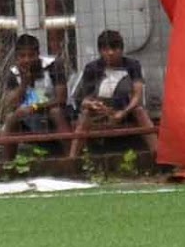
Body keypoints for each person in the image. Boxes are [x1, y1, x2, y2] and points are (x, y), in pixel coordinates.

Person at [66, 28, 156, 160]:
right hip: (101, 112)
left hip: (126, 111)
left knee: (140, 111)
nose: (110, 53)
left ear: (121, 49)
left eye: (114, 49)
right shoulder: (92, 68)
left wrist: (123, 112)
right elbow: (83, 99)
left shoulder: (132, 65)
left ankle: (158, 153)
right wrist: (93, 105)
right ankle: (72, 159)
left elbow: (137, 95)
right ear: (100, 51)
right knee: (85, 115)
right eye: (105, 49)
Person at [0, 34, 67, 157]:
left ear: (38, 54)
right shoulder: (13, 73)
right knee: (11, 118)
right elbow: (12, 103)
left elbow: (61, 99)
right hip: (28, 116)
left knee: (56, 112)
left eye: (31, 55)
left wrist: (36, 107)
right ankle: (8, 165)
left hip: (53, 112)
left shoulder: (53, 65)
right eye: (22, 56)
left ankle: (70, 159)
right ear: (17, 57)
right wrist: (24, 83)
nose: (27, 60)